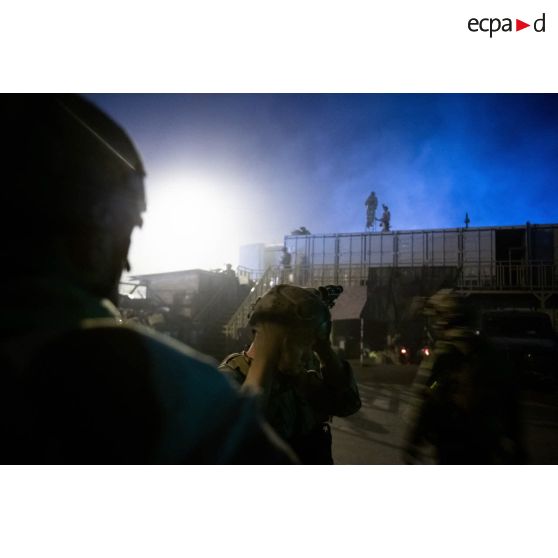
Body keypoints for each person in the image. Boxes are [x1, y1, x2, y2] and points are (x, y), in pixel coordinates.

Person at [0, 94, 295, 464]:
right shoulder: (155, 379)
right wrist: (267, 353)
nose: (125, 264)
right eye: (126, 233)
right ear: (95, 237)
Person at [219, 284, 361, 464]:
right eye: (303, 343)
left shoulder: (300, 372)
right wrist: (269, 352)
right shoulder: (232, 378)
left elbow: (348, 404)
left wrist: (324, 349)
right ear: (279, 338)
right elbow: (230, 446)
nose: (309, 351)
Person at [403, 289, 524, 464]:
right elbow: (510, 397)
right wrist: (517, 443)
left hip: (452, 444)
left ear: (443, 320)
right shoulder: (488, 351)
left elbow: (428, 396)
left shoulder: (445, 354)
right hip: (487, 444)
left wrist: (414, 440)